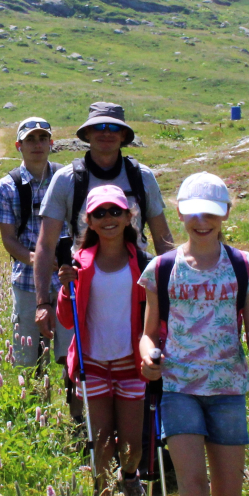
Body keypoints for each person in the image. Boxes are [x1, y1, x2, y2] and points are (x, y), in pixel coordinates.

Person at [138, 172, 249, 496]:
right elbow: (148, 332)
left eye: (211, 214)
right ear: (180, 213)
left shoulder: (243, 265)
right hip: (178, 389)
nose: (202, 221)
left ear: (225, 215)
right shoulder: (160, 269)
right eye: (194, 213)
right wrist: (148, 356)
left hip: (228, 389)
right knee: (194, 489)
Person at [33, 102, 175, 342]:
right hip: (82, 288)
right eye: (99, 127)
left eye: (113, 127)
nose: (106, 132)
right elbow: (46, 245)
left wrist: (171, 294)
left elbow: (163, 241)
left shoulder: (142, 177)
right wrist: (42, 303)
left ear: (123, 135)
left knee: (139, 367)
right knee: (79, 367)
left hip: (137, 288)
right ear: (87, 134)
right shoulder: (66, 179)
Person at [56, 185, 152, 496]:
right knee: (100, 442)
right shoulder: (79, 263)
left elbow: (155, 314)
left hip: (131, 364)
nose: (108, 218)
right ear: (90, 221)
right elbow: (66, 320)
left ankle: (129, 475)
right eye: (100, 213)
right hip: (92, 363)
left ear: (129, 216)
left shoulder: (143, 263)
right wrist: (65, 287)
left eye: (114, 211)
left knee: (131, 446)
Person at [0, 116, 61, 368]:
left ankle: (71, 405)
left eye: (43, 138)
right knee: (26, 356)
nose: (37, 144)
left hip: (67, 278)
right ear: (19, 146)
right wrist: (37, 260)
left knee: (70, 354)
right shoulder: (6, 187)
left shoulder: (67, 179)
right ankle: (30, 401)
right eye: (30, 139)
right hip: (28, 280)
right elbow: (8, 238)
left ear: (51, 143)